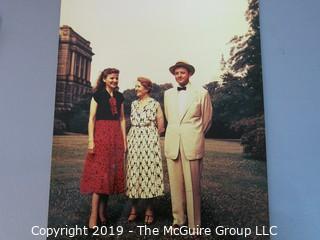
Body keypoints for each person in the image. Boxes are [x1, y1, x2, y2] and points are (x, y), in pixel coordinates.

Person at [164, 61, 213, 230]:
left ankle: (195, 225)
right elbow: (170, 118)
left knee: (193, 187)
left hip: (192, 143)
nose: (179, 76)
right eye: (176, 73)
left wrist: (194, 134)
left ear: (189, 74)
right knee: (175, 186)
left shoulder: (202, 93)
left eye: (182, 73)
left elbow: (206, 121)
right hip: (173, 144)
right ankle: (178, 220)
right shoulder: (168, 94)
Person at [80, 68, 127, 229]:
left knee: (110, 176)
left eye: (116, 78)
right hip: (100, 136)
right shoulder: (97, 95)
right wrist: (91, 141)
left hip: (115, 138)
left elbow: (121, 119)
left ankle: (102, 213)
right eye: (112, 78)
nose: (115, 80)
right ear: (105, 79)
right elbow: (91, 119)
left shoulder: (120, 97)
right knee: (100, 176)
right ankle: (93, 217)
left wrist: (124, 141)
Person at [126, 77, 165, 225]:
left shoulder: (155, 104)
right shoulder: (133, 104)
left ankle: (149, 209)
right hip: (134, 139)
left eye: (138, 86)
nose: (136, 89)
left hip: (149, 140)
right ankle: (134, 209)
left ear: (147, 89)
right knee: (134, 172)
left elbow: (161, 126)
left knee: (149, 173)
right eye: (135, 86)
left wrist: (150, 136)